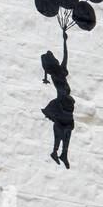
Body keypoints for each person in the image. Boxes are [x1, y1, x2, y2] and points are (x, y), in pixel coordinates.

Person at [41, 33, 75, 168]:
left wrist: (65, 40)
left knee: (68, 131)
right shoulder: (55, 73)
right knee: (63, 129)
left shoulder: (61, 70)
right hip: (62, 103)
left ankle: (63, 154)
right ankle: (56, 152)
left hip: (67, 104)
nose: (56, 60)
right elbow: (46, 69)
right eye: (53, 59)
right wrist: (45, 77)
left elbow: (65, 55)